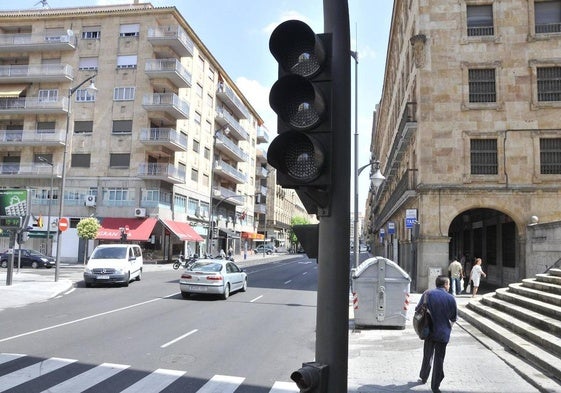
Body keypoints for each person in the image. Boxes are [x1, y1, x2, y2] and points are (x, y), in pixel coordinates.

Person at [417, 275, 457, 393]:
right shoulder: (451, 298)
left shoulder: (427, 294)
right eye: (448, 284)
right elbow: (453, 318)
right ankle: (435, 385)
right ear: (445, 285)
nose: (449, 286)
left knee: (427, 354)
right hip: (443, 333)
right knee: (439, 359)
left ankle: (424, 376)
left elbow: (418, 309)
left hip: (428, 331)